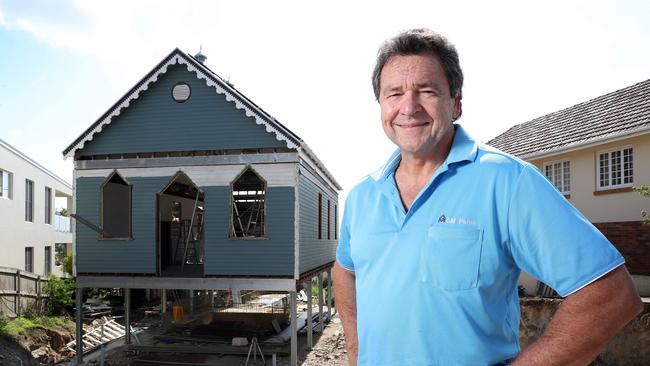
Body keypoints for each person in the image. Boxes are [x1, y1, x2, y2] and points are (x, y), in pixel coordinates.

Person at [333, 28, 643, 366]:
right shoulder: (363, 196)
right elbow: (345, 270)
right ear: (381, 105)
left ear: (455, 103)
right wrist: (355, 351)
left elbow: (611, 296)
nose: (409, 107)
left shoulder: (507, 181)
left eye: (426, 91)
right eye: (394, 93)